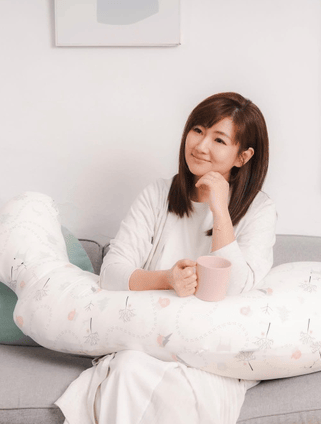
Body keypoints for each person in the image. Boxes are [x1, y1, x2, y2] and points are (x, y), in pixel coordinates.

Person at [54, 92, 277, 424]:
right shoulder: (157, 195)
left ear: (242, 156)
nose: (200, 145)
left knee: (179, 389)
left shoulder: (260, 210)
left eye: (218, 139)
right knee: (127, 369)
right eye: (197, 130)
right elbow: (112, 274)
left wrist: (220, 209)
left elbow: (234, 288)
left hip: (211, 353)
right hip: (147, 343)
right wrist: (167, 279)